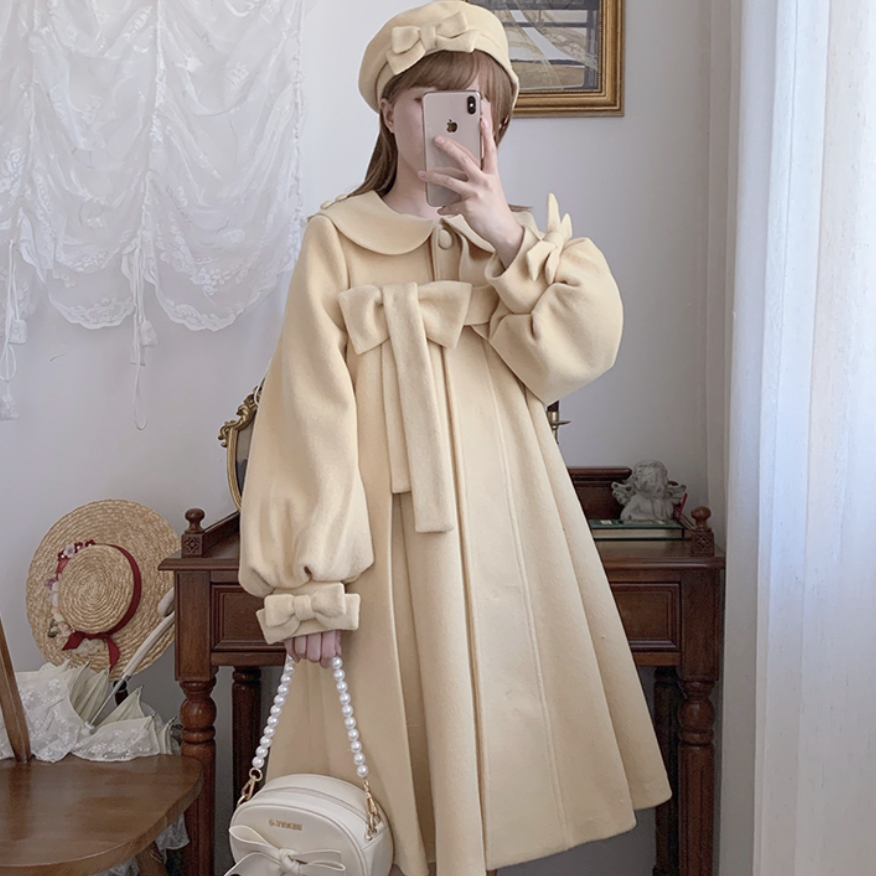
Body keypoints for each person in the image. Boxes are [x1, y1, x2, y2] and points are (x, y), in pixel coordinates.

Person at [238, 3, 672, 876]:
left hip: (502, 537)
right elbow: (306, 416)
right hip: (382, 549)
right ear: (389, 110)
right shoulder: (337, 240)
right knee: (393, 791)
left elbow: (585, 348)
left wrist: (505, 235)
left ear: (496, 123)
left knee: (494, 764)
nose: (451, 123)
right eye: (429, 100)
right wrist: (310, 580)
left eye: (474, 106)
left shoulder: (513, 245)